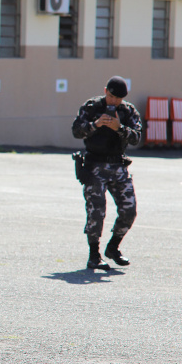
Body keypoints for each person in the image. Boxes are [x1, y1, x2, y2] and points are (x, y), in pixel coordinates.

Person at [71, 76, 142, 270]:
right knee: (96, 211)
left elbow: (136, 138)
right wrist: (95, 125)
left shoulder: (128, 111)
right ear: (105, 91)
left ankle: (113, 247)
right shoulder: (92, 107)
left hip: (118, 166)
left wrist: (119, 128)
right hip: (95, 166)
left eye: (118, 99)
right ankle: (94, 255)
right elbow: (76, 131)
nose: (114, 101)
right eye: (111, 96)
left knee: (129, 210)